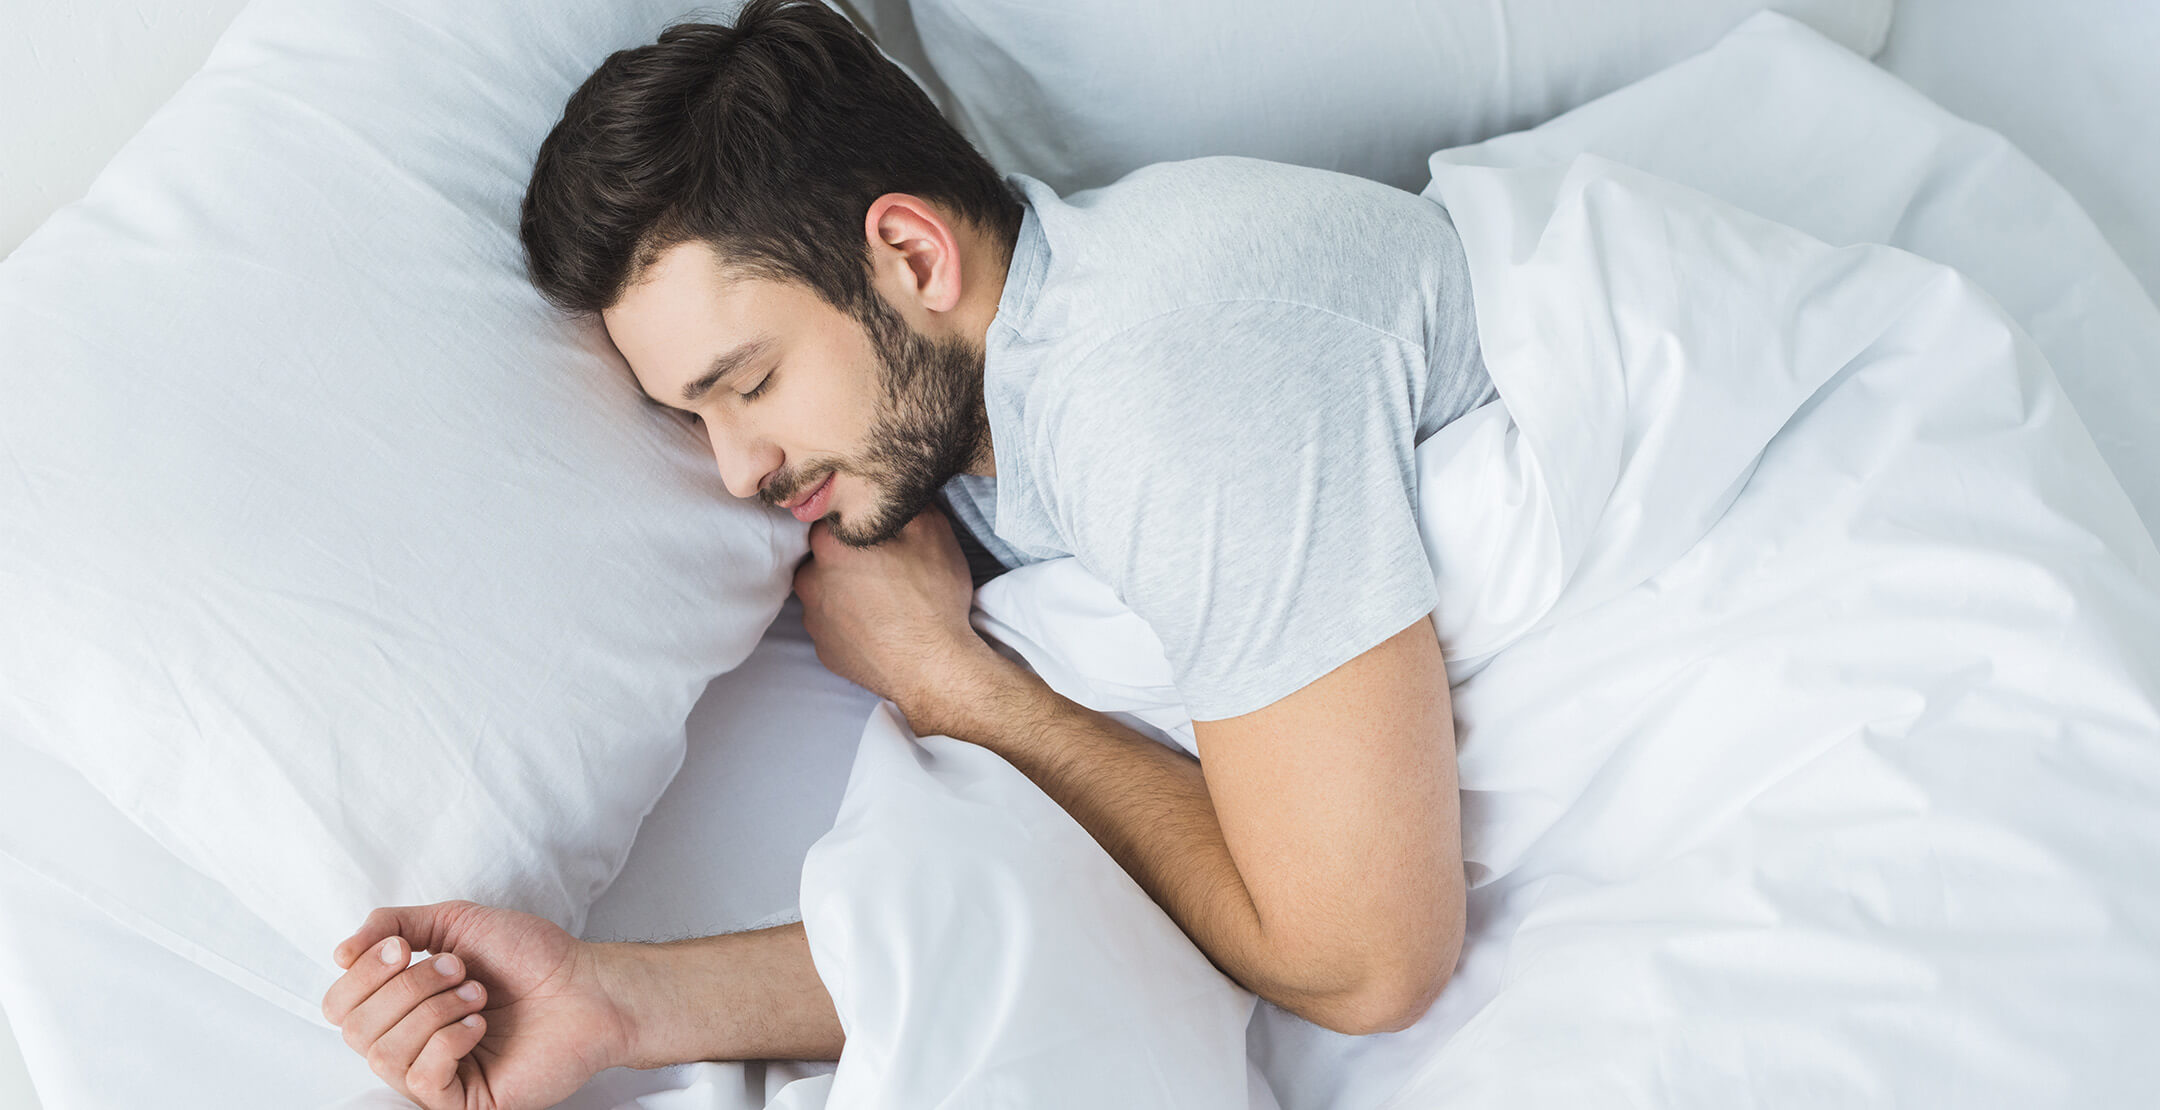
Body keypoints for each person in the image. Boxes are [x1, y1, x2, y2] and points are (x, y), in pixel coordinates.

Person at [320, 1, 1490, 1104]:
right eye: (695, 420)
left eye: (750, 383)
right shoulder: (970, 452)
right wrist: (612, 1003)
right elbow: (1091, 898)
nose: (737, 471)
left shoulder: (1157, 378)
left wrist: (954, 687)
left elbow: (1368, 962)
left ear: (915, 259)